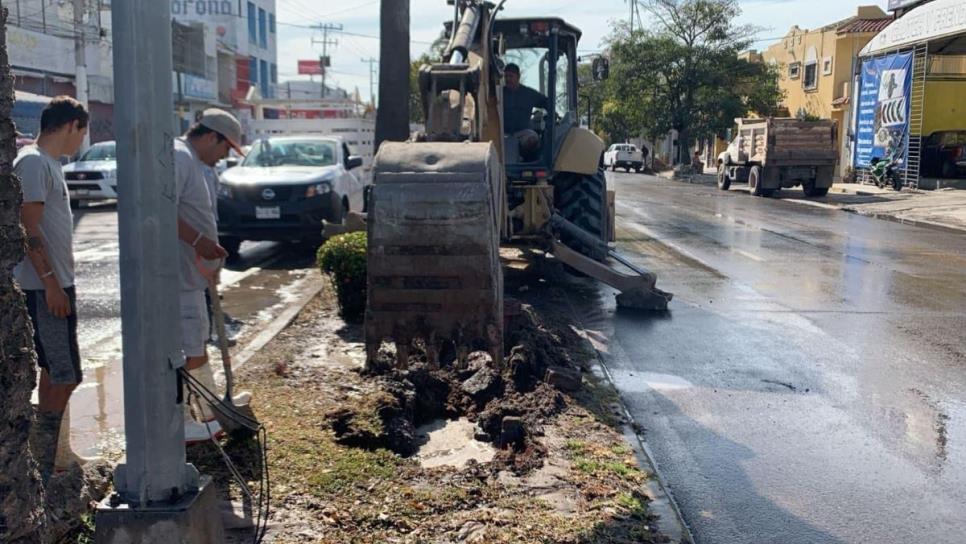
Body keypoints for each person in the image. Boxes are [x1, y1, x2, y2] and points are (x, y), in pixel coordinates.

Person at [16, 96, 90, 480]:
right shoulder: (32, 162)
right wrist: (50, 285)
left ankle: (56, 455)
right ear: (71, 125)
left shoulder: (50, 164)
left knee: (56, 371)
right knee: (64, 374)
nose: (80, 141)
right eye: (81, 132)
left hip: (57, 283)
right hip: (43, 288)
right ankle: (45, 461)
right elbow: (28, 229)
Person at [174, 108, 244, 443]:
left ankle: (202, 411)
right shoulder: (180, 157)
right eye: (225, 147)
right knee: (189, 351)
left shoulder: (195, 163)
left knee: (195, 344)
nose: (225, 156)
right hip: (177, 279)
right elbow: (161, 211)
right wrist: (201, 243)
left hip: (193, 275)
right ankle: (185, 422)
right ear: (211, 136)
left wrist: (208, 264)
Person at [502, 63, 550, 135]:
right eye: (506, 76)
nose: (508, 79)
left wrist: (552, 114)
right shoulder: (500, 94)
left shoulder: (528, 93)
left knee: (532, 137)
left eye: (511, 76)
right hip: (502, 135)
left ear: (518, 77)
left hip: (523, 134)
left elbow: (547, 102)